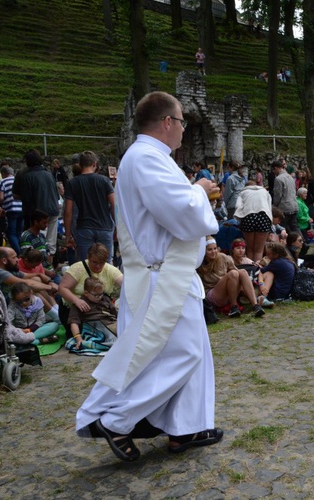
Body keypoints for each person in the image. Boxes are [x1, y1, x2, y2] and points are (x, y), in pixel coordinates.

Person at [76, 91, 223, 462]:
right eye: (183, 124)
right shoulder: (146, 158)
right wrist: (200, 190)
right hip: (164, 275)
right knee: (181, 354)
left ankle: (184, 429)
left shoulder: (145, 158)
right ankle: (117, 420)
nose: (185, 132)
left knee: (186, 353)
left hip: (165, 272)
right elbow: (180, 210)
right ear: (168, 122)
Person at [64, 151, 116, 262]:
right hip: (104, 226)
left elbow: (68, 212)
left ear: (80, 164)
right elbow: (114, 205)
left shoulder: (72, 183)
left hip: (84, 228)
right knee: (105, 265)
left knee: (85, 265)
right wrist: (117, 227)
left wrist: (68, 235)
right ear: (94, 164)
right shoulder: (104, 180)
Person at [197, 237, 266, 318]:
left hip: (228, 290)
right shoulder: (199, 262)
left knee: (242, 272)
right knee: (233, 273)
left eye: (215, 249)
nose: (213, 252)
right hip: (212, 293)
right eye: (210, 250)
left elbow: (237, 272)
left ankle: (256, 305)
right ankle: (233, 307)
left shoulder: (223, 257)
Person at [13, 149, 60, 263]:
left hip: (38, 214)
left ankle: (40, 268)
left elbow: (25, 198)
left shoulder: (27, 176)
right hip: (53, 211)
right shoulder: (49, 174)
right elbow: (57, 195)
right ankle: (50, 265)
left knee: (38, 243)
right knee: (51, 244)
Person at [58, 243, 122, 312]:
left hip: (98, 311)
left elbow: (126, 284)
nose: (98, 266)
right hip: (73, 310)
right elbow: (62, 288)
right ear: (88, 257)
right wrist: (76, 300)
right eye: (94, 262)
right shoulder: (77, 268)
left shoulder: (111, 270)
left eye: (101, 263)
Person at [68, 277, 118, 350]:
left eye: (101, 294)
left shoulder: (105, 299)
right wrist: (78, 339)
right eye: (96, 295)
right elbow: (74, 322)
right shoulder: (80, 303)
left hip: (109, 323)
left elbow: (116, 314)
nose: (99, 297)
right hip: (93, 327)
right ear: (86, 293)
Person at [233, 180, 273, 262]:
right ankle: (257, 270)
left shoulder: (243, 192)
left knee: (250, 249)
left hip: (248, 217)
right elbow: (269, 207)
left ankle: (250, 267)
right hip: (263, 217)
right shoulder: (264, 192)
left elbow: (237, 205)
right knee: (259, 249)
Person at [0, 165, 23, 254]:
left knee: (11, 233)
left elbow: (0, 198)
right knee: (19, 233)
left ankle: (19, 254)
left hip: (11, 209)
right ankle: (23, 251)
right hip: (22, 209)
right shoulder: (19, 181)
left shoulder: (3, 181)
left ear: (4, 173)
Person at [271, 159, 299, 233]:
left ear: (276, 168)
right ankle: (302, 242)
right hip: (293, 205)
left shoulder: (278, 179)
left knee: (283, 228)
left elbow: (278, 195)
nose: (273, 172)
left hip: (284, 208)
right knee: (294, 227)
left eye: (273, 170)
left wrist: (274, 207)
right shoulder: (290, 177)